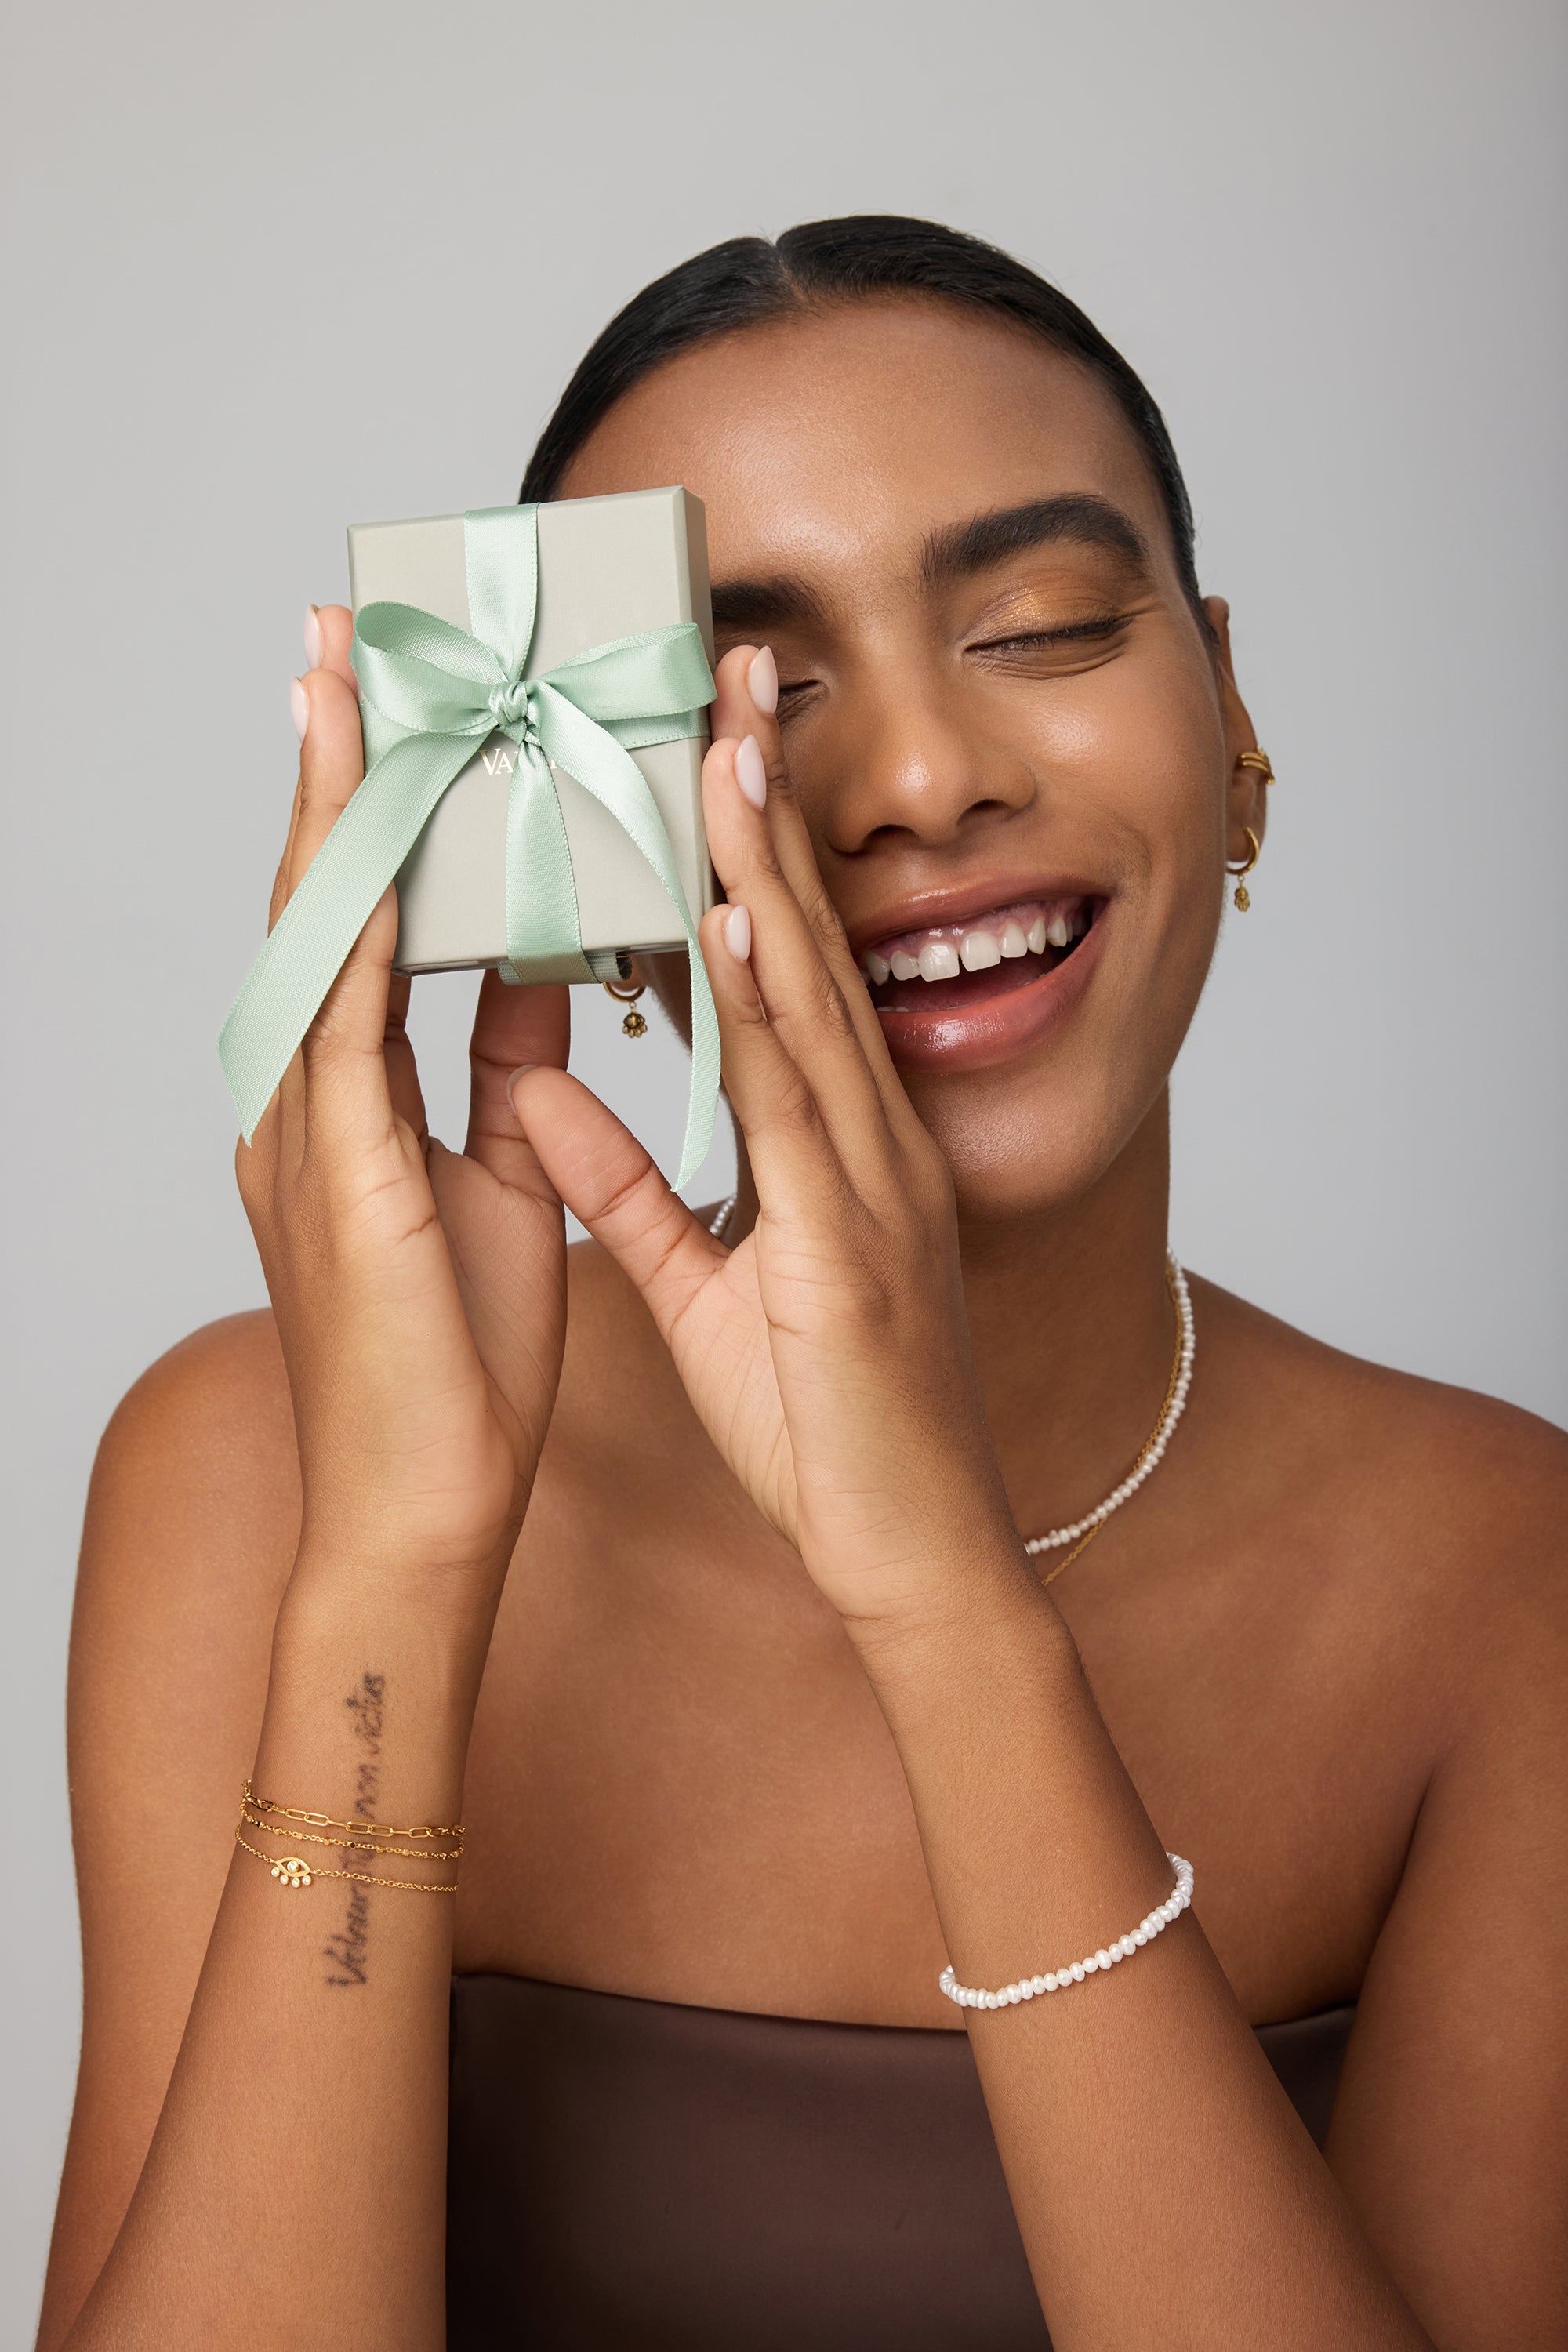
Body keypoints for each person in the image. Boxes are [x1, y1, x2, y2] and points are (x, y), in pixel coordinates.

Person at [38, 216, 1567, 2352]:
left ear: (1228, 716)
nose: (924, 783)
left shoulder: (1507, 1581)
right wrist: (390, 1571)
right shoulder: (251, 1476)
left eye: (1038, 625)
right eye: (755, 699)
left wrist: (946, 1601)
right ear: (594, 864)